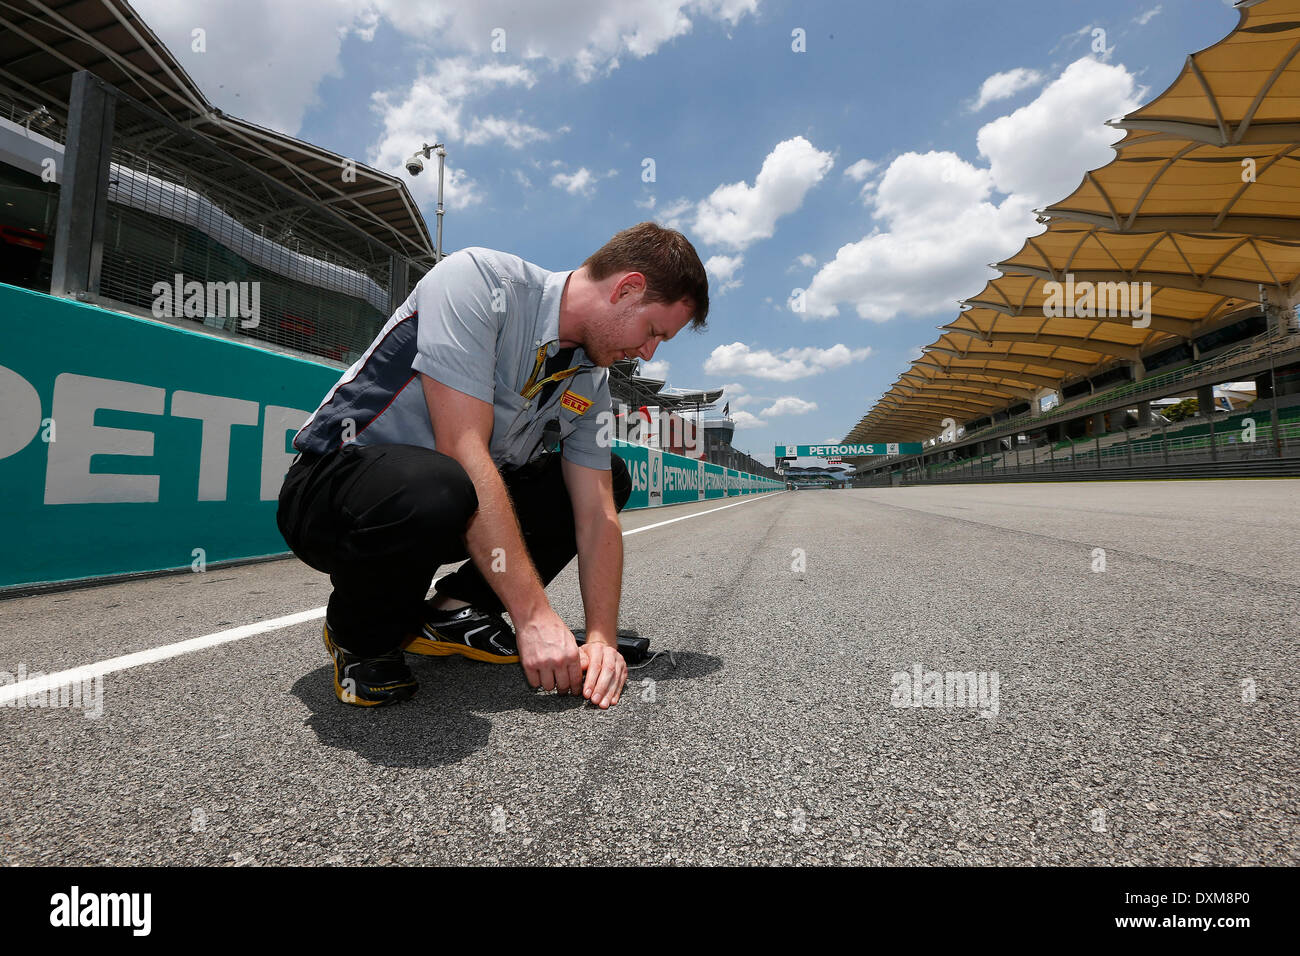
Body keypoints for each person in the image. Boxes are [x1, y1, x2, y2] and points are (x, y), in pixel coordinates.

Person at [276, 222, 709, 710]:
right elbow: (463, 450)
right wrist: (534, 617)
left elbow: (596, 513)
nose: (649, 353)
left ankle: (456, 612)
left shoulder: (591, 378)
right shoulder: (478, 280)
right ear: (626, 288)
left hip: (447, 502)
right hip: (333, 493)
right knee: (441, 482)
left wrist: (602, 640)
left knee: (609, 473)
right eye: (653, 332)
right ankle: (359, 635)